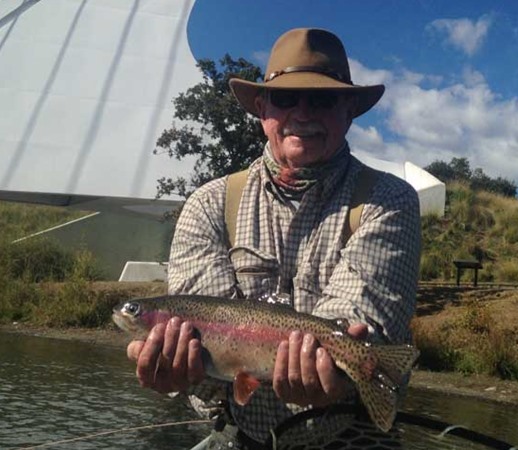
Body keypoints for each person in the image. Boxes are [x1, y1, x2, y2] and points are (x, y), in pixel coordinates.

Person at [127, 27, 421, 449]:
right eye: (286, 98)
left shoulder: (387, 200)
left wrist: (333, 367)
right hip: (239, 431)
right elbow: (213, 358)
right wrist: (178, 374)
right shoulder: (208, 204)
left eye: (322, 98)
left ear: (349, 109)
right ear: (262, 107)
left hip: (351, 432)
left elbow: (361, 319)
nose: (303, 112)